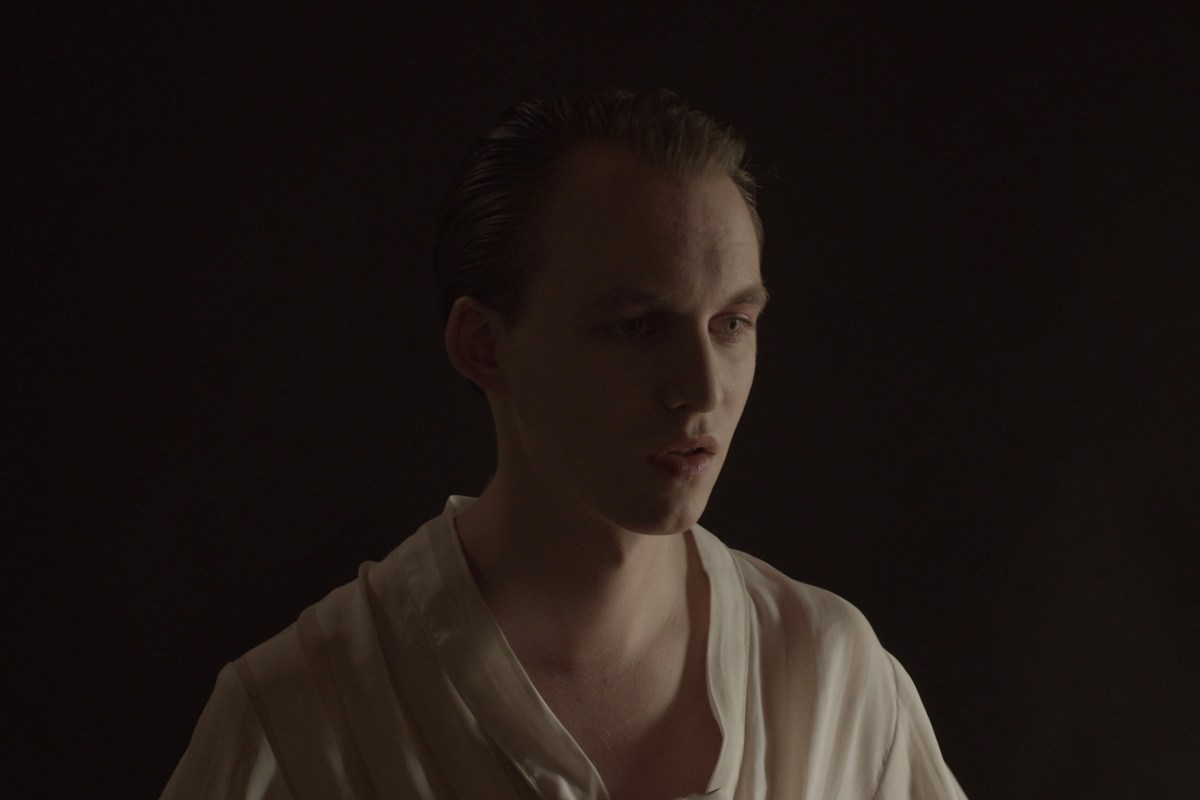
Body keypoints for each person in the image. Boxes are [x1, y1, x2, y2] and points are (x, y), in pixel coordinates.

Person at [162, 89, 967, 799]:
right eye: (637, 327)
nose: (702, 388)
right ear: (484, 346)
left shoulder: (829, 680)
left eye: (731, 324)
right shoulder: (302, 721)